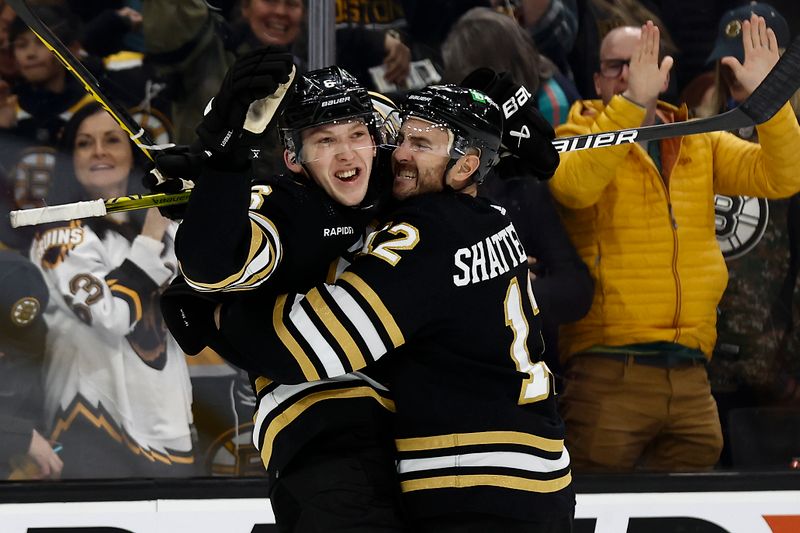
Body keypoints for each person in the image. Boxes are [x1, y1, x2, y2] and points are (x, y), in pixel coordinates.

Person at [208, 84, 575, 532]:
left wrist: (224, 312)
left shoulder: (424, 237)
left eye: (420, 145)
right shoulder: (494, 218)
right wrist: (501, 103)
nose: (399, 154)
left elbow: (306, 346)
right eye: (401, 137)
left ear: (466, 165)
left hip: (473, 485)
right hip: (544, 481)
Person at [158, 50, 406, 531]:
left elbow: (423, 128)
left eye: (357, 135)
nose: (347, 153)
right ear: (293, 157)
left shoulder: (391, 182)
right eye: (325, 141)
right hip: (322, 435)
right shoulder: (291, 208)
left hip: (402, 434)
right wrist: (224, 165)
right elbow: (212, 266)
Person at [548, 18, 800, 472]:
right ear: (596, 79)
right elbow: (573, 189)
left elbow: (785, 175)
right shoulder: (572, 138)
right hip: (607, 372)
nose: (628, 73)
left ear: (665, 75)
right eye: (616, 66)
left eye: (641, 62)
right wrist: (630, 104)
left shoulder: (697, 139)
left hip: (691, 379)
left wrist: (772, 103)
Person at [28, 102, 195, 479]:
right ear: (70, 159)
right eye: (85, 143)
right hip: (89, 424)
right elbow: (110, 315)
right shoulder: (57, 235)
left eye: (111, 141)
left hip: (168, 424)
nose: (99, 151)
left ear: (131, 156)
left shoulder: (170, 230)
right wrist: (152, 235)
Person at [0, 250, 63, 480]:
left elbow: (24, 405)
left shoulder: (31, 338)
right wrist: (20, 438)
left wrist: (33, 450)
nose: (3, 353)